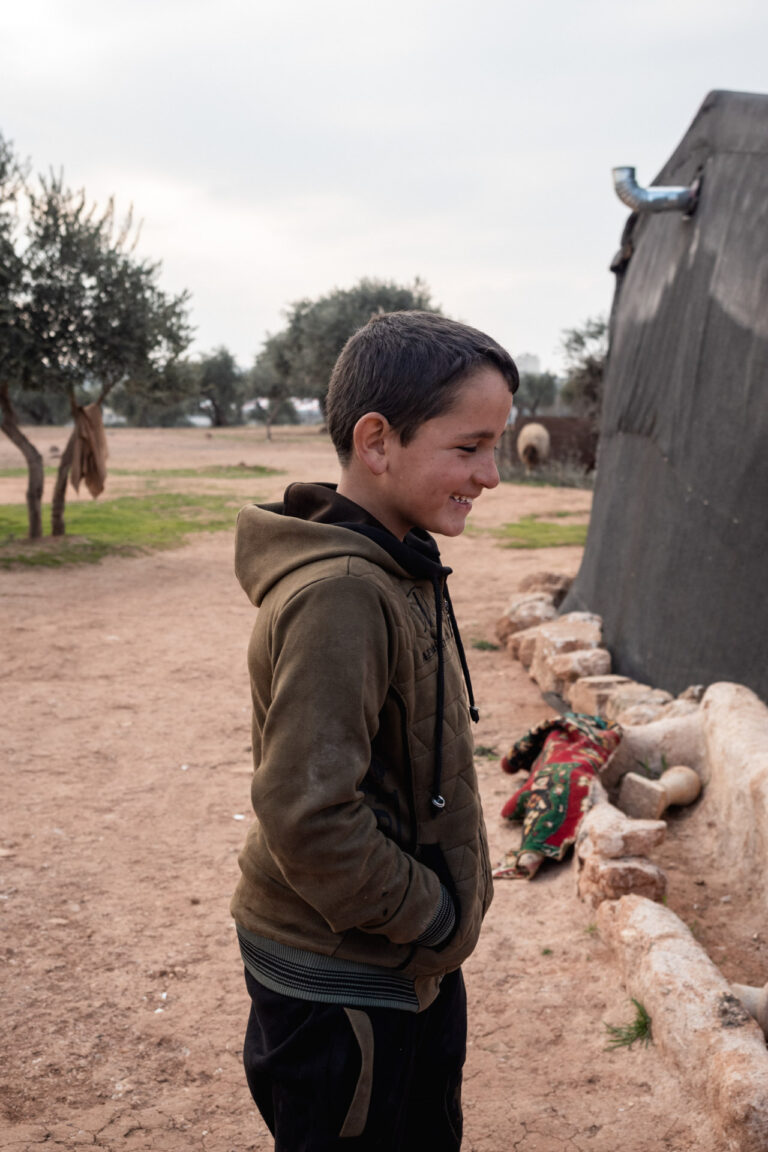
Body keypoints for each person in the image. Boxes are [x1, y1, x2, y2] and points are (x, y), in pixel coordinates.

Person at [232, 310, 519, 1151]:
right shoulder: (344, 593)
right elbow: (309, 814)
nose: (492, 474)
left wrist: (438, 938)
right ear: (377, 440)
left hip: (404, 966)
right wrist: (431, 917)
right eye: (468, 448)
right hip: (346, 977)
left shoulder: (403, 559)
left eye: (495, 447)